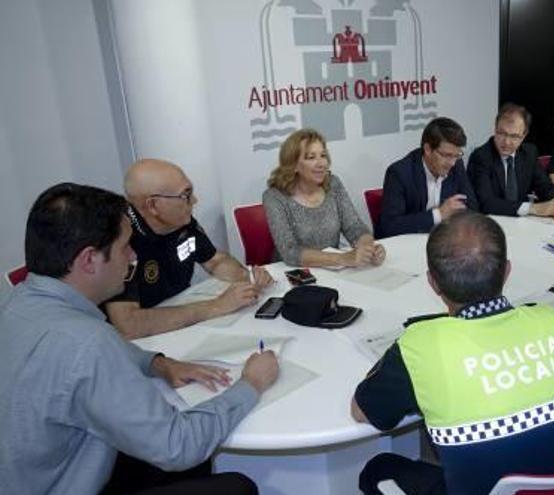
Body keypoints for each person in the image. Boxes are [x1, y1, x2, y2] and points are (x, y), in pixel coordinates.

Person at [0, 183, 279, 495]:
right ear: (89, 260)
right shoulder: (88, 344)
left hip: (32, 475)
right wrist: (251, 384)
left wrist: (157, 363)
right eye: (124, 248)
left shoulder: (19, 303)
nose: (132, 256)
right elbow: (178, 445)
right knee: (236, 486)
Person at [352, 212, 554, 495]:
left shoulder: (419, 345)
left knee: (379, 468)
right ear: (506, 271)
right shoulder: (550, 320)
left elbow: (362, 412)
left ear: (432, 283)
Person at [104, 159, 274, 339]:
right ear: (153, 205)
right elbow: (128, 325)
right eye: (185, 195)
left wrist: (246, 277)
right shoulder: (118, 239)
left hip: (178, 316)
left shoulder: (181, 222)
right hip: (144, 339)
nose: (194, 200)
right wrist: (217, 306)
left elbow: (215, 260)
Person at [263, 128, 385, 268]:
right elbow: (291, 252)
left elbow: (354, 226)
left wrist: (367, 249)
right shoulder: (274, 197)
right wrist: (343, 258)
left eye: (323, 155)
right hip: (293, 274)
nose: (321, 163)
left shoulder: (333, 184)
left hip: (334, 271)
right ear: (294, 165)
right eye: (311, 157)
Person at [375, 117, 479, 238]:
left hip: (444, 241)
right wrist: (438, 215)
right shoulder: (399, 173)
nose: (452, 163)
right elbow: (390, 226)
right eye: (446, 155)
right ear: (428, 149)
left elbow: (473, 208)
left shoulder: (456, 166)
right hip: (410, 244)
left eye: (457, 155)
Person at [468, 103, 554, 220]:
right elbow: (487, 203)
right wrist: (535, 208)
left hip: (521, 222)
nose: (506, 142)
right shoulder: (481, 157)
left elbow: (544, 185)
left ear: (524, 135)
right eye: (502, 133)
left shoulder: (529, 153)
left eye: (514, 136)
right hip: (492, 222)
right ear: (495, 129)